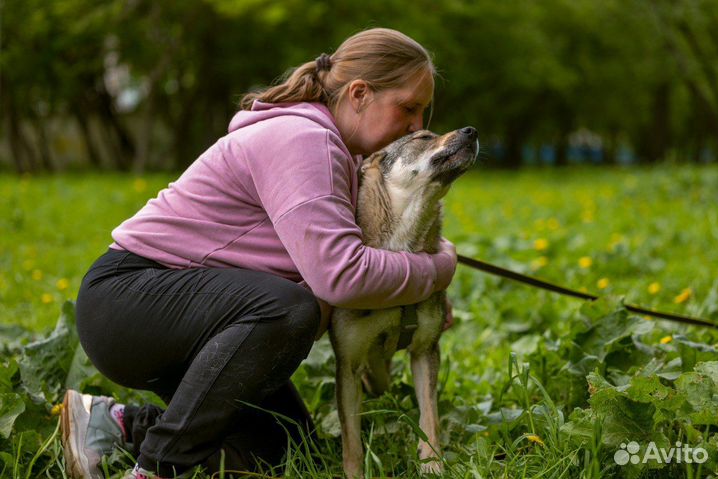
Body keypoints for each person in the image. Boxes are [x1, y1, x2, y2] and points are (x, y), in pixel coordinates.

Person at [61, 27, 457, 479]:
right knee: (290, 309)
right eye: (408, 107)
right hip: (130, 301)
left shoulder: (340, 153)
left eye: (423, 111)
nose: (417, 125)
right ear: (360, 93)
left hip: (194, 315)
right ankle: (155, 468)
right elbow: (340, 277)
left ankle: (114, 423)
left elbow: (360, 255)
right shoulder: (302, 140)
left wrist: (419, 281)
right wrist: (441, 268)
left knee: (284, 450)